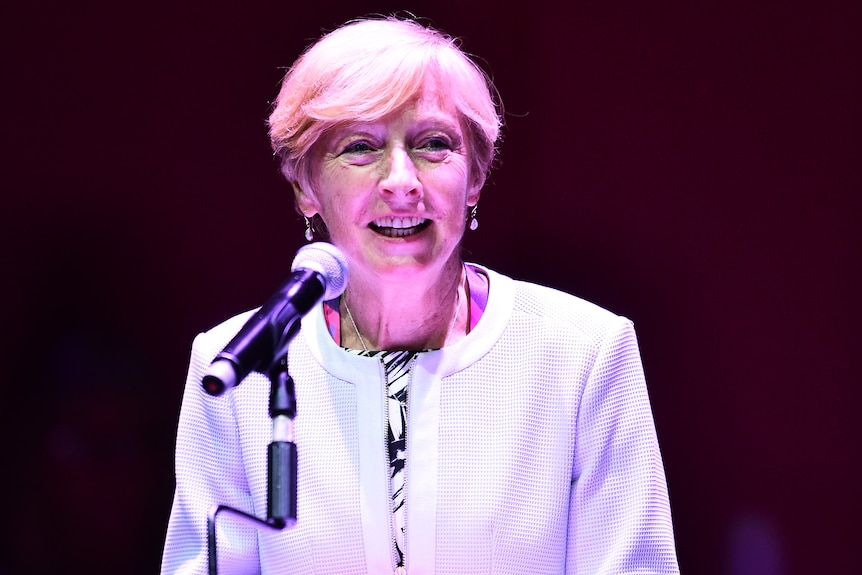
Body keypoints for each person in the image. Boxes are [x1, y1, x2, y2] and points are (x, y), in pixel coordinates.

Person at [161, 15, 680, 575]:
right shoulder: (234, 367)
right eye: (360, 147)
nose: (401, 180)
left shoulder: (583, 354)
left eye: (434, 144)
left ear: (475, 177)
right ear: (305, 186)